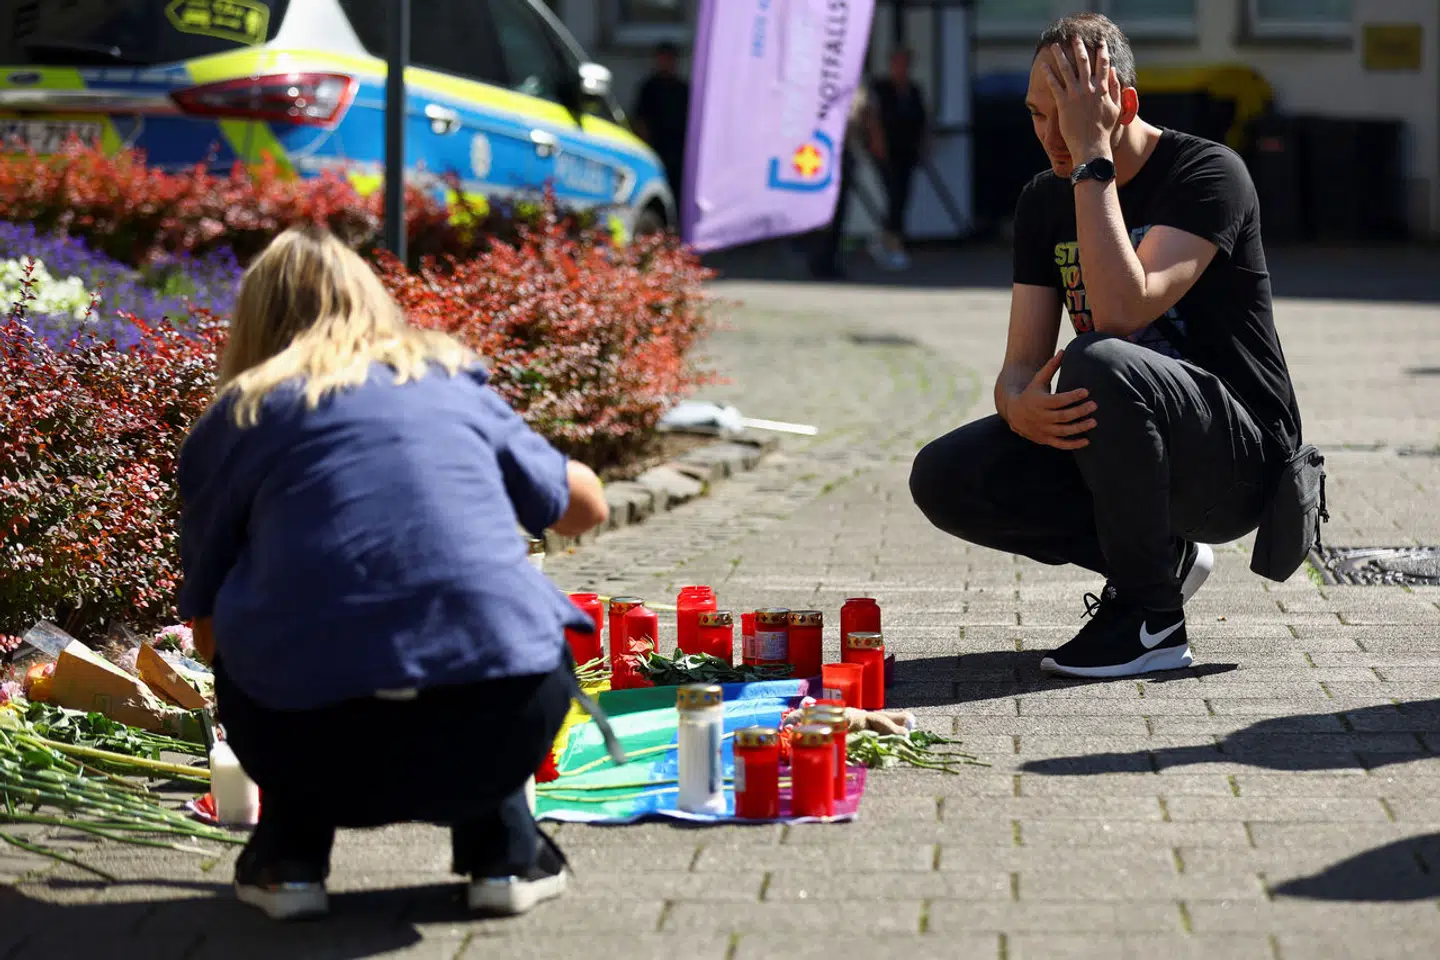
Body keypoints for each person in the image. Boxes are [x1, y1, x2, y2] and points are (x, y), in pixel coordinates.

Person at [178, 225, 609, 921]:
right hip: (500, 730)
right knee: (497, 629)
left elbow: (205, 635)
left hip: (311, 749)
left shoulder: (241, 415)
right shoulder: (445, 379)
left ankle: (287, 858)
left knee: (262, 643)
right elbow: (585, 509)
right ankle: (505, 852)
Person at [908, 14, 1303, 679]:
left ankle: (1149, 619)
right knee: (947, 475)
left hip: (1236, 463)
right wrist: (1016, 406)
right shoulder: (1044, 202)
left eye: (1068, 115)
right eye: (1038, 115)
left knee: (1096, 358)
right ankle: (1160, 560)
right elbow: (1021, 365)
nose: (1051, 137)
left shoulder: (1209, 173)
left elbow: (1121, 311)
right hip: (1127, 441)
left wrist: (1094, 159)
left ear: (1124, 106)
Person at [868, 47, 929, 271]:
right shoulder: (881, 89)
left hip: (907, 151)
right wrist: (878, 143)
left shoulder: (913, 90)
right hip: (887, 152)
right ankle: (890, 242)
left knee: (903, 197)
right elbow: (874, 118)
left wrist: (923, 145)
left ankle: (893, 240)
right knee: (893, 195)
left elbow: (922, 120)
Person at [809, 83, 872, 280]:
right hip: (823, 150)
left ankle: (830, 258)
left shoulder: (857, 87)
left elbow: (861, 118)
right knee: (820, 209)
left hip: (844, 151)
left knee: (840, 211)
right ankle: (818, 258)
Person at [632, 40, 691, 210]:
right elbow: (640, 121)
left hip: (679, 153)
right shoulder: (649, 88)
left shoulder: (683, 89)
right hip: (657, 150)